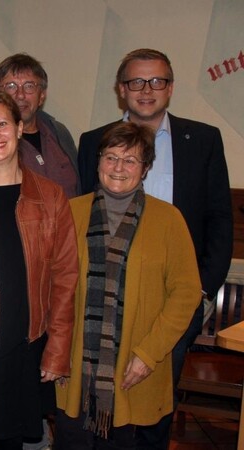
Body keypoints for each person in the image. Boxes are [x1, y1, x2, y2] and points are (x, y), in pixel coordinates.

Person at [76, 48, 233, 444]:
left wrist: (199, 294)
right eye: (136, 81)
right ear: (120, 89)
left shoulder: (204, 139)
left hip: (173, 307)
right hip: (102, 312)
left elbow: (219, 220)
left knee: (152, 411)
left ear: (170, 87)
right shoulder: (93, 140)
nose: (146, 89)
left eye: (157, 81)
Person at [55, 121, 202, 449]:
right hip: (75, 366)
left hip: (134, 370)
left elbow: (186, 292)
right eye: (111, 157)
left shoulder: (169, 220)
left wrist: (149, 354)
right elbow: (52, 285)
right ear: (98, 162)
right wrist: (57, 351)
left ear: (145, 168)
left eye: (131, 160)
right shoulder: (70, 212)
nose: (118, 168)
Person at [0, 89, 77, 449]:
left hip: (25, 344)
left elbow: (65, 279)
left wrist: (57, 349)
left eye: (2, 124)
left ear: (20, 127)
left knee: (8, 440)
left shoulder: (52, 196)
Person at [0, 54, 80, 199]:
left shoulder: (59, 133)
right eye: (11, 86)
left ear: (42, 95)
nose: (20, 95)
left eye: (29, 86)